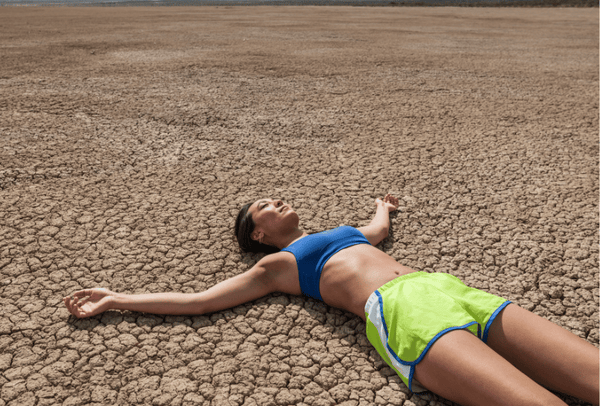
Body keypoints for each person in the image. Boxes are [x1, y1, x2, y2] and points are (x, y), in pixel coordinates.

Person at [64, 195, 599, 406]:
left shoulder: (344, 232)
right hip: (403, 311)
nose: (277, 199)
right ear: (260, 237)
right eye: (264, 207)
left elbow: (375, 230)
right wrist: (117, 298)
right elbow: (201, 301)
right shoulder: (279, 266)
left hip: (447, 287)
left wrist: (381, 207)